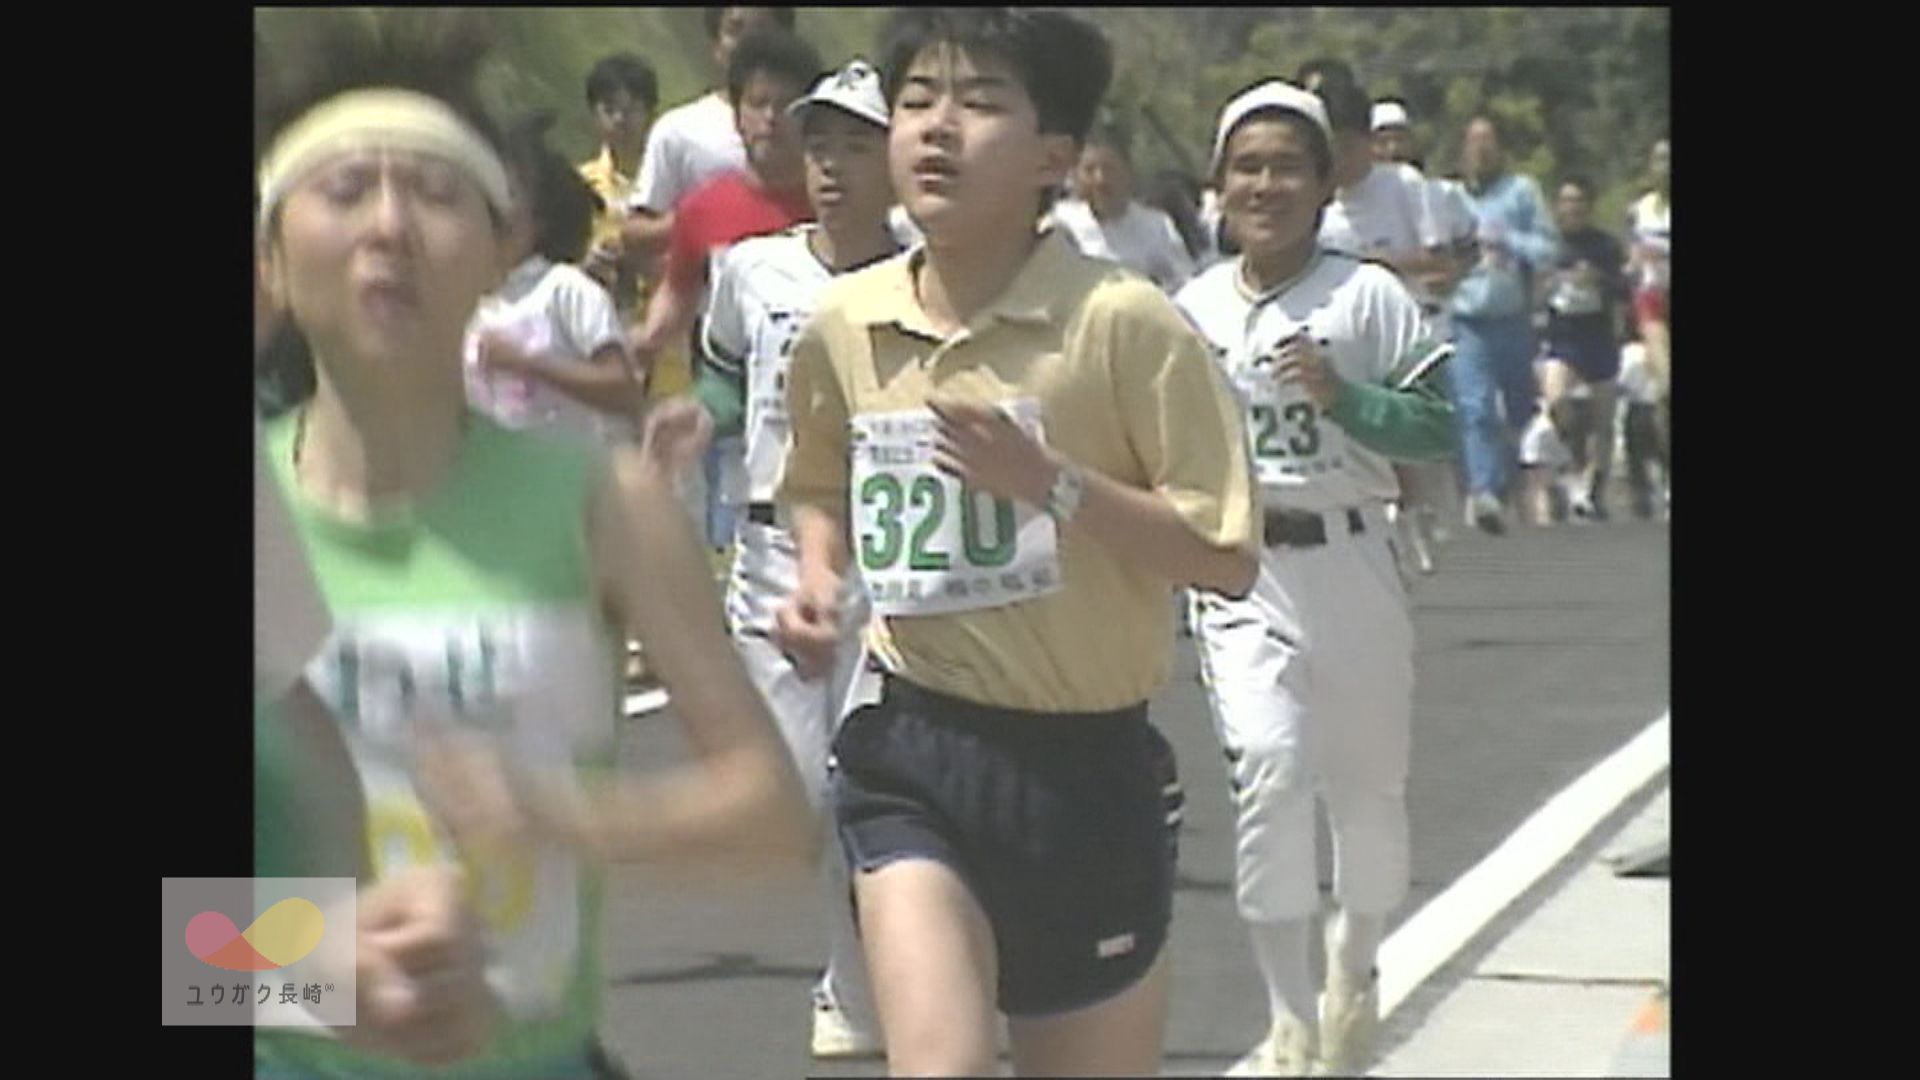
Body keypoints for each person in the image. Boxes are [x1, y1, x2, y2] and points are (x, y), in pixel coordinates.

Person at [250, 15, 813, 1077]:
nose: (389, 225)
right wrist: (319, 968)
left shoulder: (603, 501)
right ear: (272, 262)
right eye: (342, 191)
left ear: (505, 247)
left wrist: (558, 814)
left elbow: (772, 817)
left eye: (433, 190)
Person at [773, 9, 1258, 1075]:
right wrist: (818, 578)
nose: (938, 131)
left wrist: (1053, 488)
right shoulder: (845, 326)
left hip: (1087, 771)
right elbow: (815, 485)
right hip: (913, 750)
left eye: (981, 103)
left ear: (1057, 158)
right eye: (915, 103)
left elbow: (1225, 556)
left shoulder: (1125, 326)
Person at [1175, 80, 1456, 1077]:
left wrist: (1347, 399)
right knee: (1269, 766)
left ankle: (1357, 958)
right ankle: (1289, 1015)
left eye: (1286, 164)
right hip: (1246, 572)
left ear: (1326, 179)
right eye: (1246, 165)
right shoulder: (1192, 310)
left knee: (1366, 793)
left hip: (1354, 555)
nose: (1265, 183)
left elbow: (1436, 423)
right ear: (1218, 182)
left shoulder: (1368, 295)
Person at [697, 58, 899, 1061]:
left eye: (857, 146)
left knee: (870, 781)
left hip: (894, 556)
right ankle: (862, 972)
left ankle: (858, 988)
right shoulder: (751, 269)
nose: (832, 166)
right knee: (798, 795)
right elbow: (725, 377)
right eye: (820, 144)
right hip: (776, 554)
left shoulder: (928, 275)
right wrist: (694, 426)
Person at [628, 25, 821, 554]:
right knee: (734, 545)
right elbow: (679, 288)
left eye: (786, 104)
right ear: (735, 114)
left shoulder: (837, 202)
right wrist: (647, 340)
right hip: (730, 404)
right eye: (757, 103)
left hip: (819, 404)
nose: (770, 119)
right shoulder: (703, 208)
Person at [1302, 64, 1455, 579]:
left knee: (1398, 426)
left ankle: (1414, 509)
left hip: (1403, 322)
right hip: (1333, 334)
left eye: (1347, 146)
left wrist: (1378, 265)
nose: (1338, 160)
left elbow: (1439, 261)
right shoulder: (1312, 198)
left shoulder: (1404, 187)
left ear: (1368, 142)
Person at [621, 7, 795, 409]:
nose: (770, 119)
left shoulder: (824, 139)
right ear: (715, 44)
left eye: (764, 30)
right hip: (718, 342)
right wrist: (700, 222)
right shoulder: (681, 131)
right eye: (736, 30)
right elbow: (661, 267)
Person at [465, 112, 642, 445]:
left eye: (510, 199)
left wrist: (528, 363)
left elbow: (622, 389)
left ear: (539, 219)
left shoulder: (565, 290)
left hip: (564, 483)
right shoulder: (463, 293)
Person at [1449, 114, 1559, 535]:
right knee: (1474, 407)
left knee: (1519, 411)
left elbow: (1548, 249)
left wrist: (1507, 237)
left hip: (1512, 317)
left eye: (1488, 142)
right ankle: (1483, 492)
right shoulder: (1450, 197)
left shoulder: (1521, 192)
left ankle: (1510, 483)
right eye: (1473, 142)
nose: (1480, 151)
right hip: (1467, 317)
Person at [1536, 175, 1630, 522]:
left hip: (1598, 335)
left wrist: (1599, 279)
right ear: (1558, 206)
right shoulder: (1548, 244)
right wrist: (1546, 283)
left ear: (1589, 207)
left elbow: (1624, 287)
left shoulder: (1605, 246)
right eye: (1566, 200)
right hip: (1563, 336)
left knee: (1604, 419)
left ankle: (1595, 488)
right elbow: (1532, 287)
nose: (1572, 207)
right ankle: (1572, 465)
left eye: (1579, 201)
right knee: (1557, 400)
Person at [1049, 125, 1197, 291]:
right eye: (1090, 170)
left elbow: (1185, 283)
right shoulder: (1059, 223)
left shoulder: (1157, 225)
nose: (1100, 180)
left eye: (1109, 169)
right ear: (1075, 175)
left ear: (1127, 172)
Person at [576, 53, 659, 318]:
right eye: (609, 109)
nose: (620, 120)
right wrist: (586, 263)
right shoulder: (578, 184)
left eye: (631, 109)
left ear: (650, 113)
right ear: (593, 114)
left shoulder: (668, 181)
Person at [1627, 137, 1670, 514]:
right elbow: (1631, 258)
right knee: (1665, 388)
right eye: (1660, 160)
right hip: (1653, 303)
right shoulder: (1642, 210)